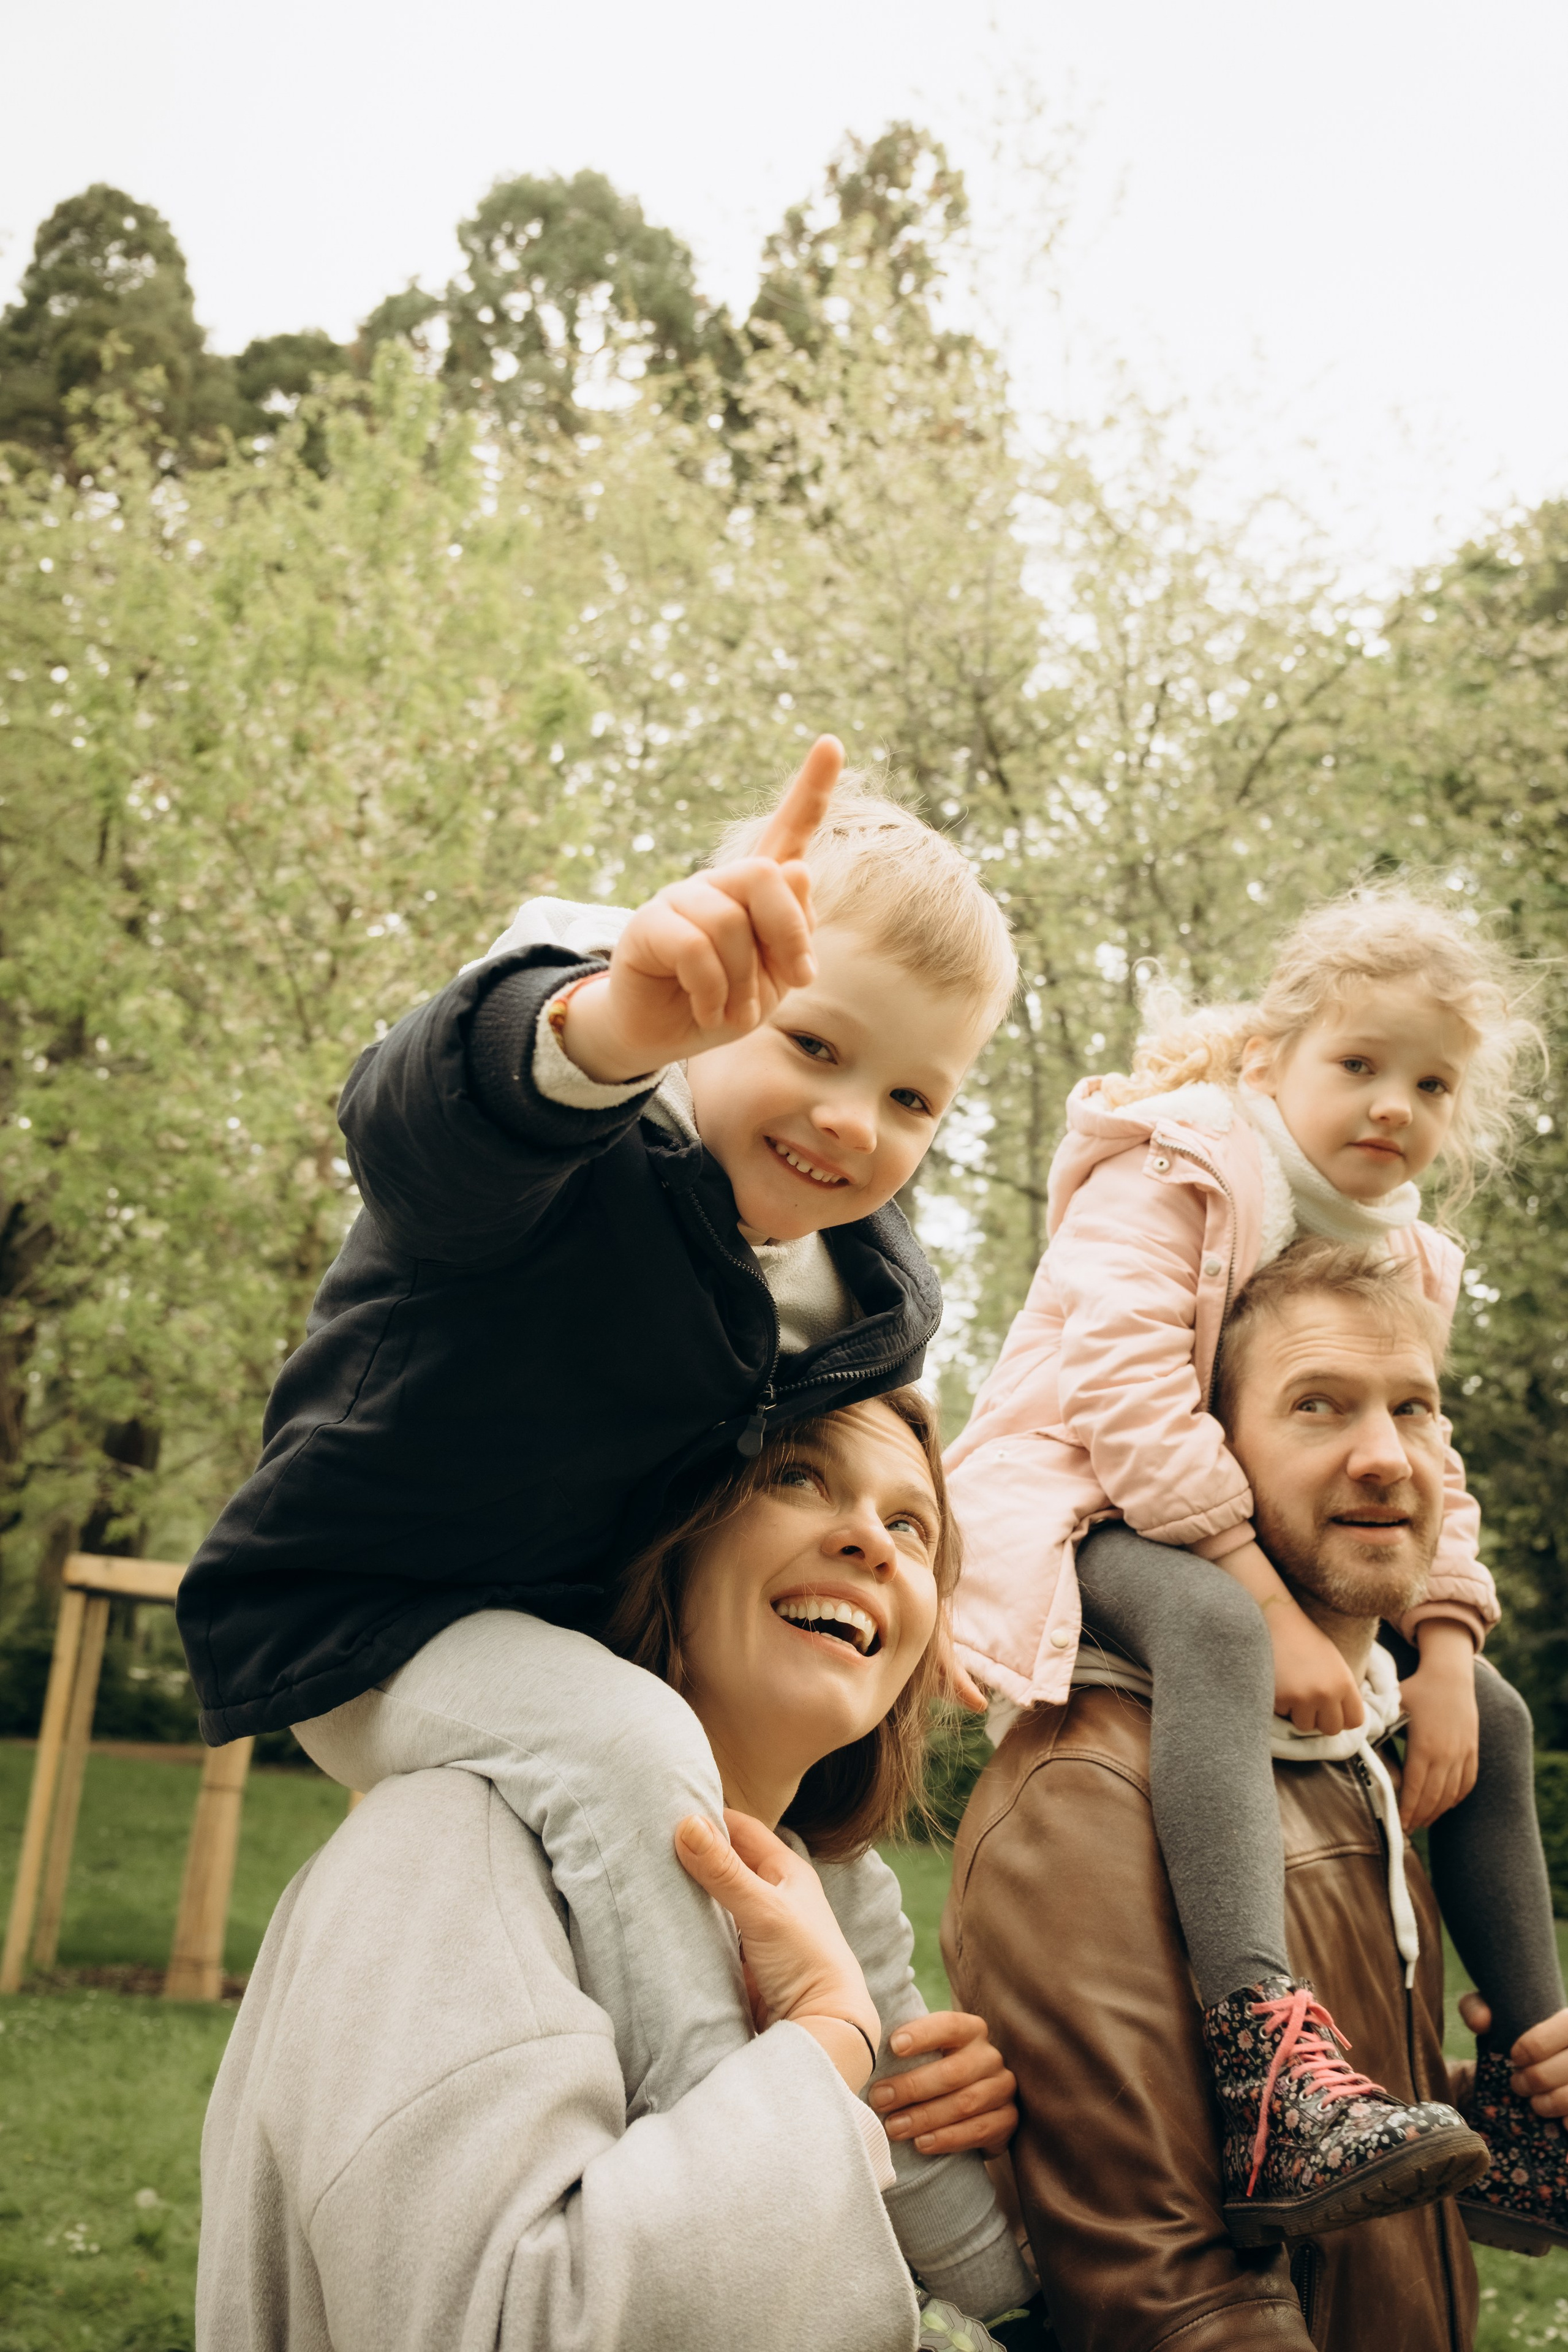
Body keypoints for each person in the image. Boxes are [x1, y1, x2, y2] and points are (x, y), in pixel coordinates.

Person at [943, 886, 1561, 2243]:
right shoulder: (1176, 1165)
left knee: (1496, 1720)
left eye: (1430, 1082)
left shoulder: (1402, 1254)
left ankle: (1535, 2099)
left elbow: (1426, 1463)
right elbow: (1118, 1399)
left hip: (1213, 1527)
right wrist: (1269, 1599)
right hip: (1077, 1498)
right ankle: (1264, 2068)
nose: (1390, 1104)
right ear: (1269, 1056)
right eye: (1358, 1065)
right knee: (1219, 1637)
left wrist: (1447, 1649)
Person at [197, 1390, 1041, 2351]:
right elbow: (505, 2328)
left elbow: (955, 2295)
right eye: (797, 1476)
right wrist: (822, 2048)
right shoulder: (443, 1853)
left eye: (911, 1525)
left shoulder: (836, 1903)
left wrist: (995, 2159)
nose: (871, 1542)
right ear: (672, 1535)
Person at [943, 1243, 1568, 2350]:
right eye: (1319, 1407)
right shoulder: (1091, 1792)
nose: (1385, 1457)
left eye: (1414, 1408)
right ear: (1211, 1455)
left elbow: (1328, 2111)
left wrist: (1495, 2097)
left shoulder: (1359, 1755)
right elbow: (1173, 2298)